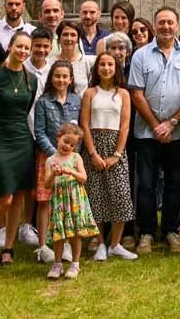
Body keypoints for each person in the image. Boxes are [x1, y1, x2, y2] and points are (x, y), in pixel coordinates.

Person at [128, 5, 180, 253]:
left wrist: (172, 123)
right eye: (161, 22)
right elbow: (136, 93)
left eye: (170, 22)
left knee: (174, 184)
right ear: (155, 25)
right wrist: (155, 125)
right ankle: (147, 232)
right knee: (146, 185)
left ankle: (171, 230)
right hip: (146, 133)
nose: (166, 27)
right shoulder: (141, 55)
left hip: (178, 132)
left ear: (177, 25)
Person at [0, 30, 39, 268]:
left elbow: (26, 108)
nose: (23, 51)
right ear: (10, 47)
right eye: (19, 47)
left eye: (27, 48)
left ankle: (9, 247)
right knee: (3, 198)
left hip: (23, 140)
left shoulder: (31, 80)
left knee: (18, 198)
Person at [79, 49, 137, 261]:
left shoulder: (123, 94)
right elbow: (84, 125)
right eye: (102, 64)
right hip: (94, 145)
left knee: (120, 194)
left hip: (115, 146)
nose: (106, 68)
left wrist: (117, 154)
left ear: (116, 68)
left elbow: (125, 125)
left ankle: (116, 243)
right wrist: (92, 153)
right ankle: (100, 243)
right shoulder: (90, 93)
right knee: (96, 195)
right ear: (97, 68)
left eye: (110, 65)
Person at [30, 58, 78, 263]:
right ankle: (42, 246)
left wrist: (71, 156)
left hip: (70, 159)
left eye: (65, 76)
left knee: (66, 201)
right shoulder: (43, 102)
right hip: (48, 157)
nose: (61, 80)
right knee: (45, 200)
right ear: (52, 78)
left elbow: (80, 131)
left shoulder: (77, 100)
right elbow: (39, 132)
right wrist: (54, 155)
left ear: (71, 79)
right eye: (57, 76)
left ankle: (65, 243)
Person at [43, 123, 98, 280]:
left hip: (74, 199)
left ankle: (75, 263)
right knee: (59, 234)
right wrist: (53, 174)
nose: (68, 146)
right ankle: (57, 264)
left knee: (75, 233)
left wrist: (71, 171)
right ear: (58, 137)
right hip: (59, 200)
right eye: (66, 141)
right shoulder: (50, 160)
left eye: (73, 145)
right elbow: (47, 185)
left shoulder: (76, 157)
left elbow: (84, 177)